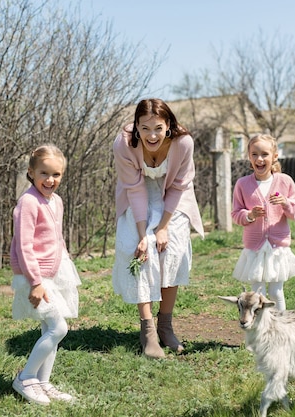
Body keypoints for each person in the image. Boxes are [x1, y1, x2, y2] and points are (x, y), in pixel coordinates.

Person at [112, 98, 205, 359]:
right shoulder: (123, 143)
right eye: (145, 128)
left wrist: (162, 227)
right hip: (137, 195)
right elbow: (134, 189)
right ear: (136, 127)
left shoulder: (183, 142)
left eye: (158, 128)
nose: (151, 135)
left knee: (171, 249)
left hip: (172, 197)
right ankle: (148, 331)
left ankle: (166, 326)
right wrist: (144, 235)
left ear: (169, 126)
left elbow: (178, 187)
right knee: (140, 250)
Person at [9, 144, 81, 405]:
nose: (50, 180)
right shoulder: (28, 202)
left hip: (53, 272)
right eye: (44, 173)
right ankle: (25, 377)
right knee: (58, 328)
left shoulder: (56, 201)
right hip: (35, 275)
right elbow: (23, 245)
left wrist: (65, 264)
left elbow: (56, 238)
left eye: (57, 175)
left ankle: (43, 382)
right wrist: (36, 282)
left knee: (49, 327)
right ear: (31, 172)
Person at [231, 134, 295, 311]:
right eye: (254, 154)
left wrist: (285, 203)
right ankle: (259, 330)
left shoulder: (285, 181)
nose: (259, 159)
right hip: (255, 248)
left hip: (277, 248)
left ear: (274, 156)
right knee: (257, 292)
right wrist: (250, 215)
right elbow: (235, 213)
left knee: (276, 291)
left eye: (264, 154)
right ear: (249, 156)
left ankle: (281, 329)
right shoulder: (242, 184)